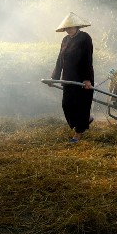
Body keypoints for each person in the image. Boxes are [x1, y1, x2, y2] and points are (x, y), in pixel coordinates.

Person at [51, 12, 95, 143]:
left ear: (77, 27)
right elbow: (60, 59)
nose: (68, 30)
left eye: (71, 27)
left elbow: (88, 58)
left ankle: (78, 134)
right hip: (68, 77)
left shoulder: (85, 38)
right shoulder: (65, 40)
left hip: (82, 77)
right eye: (67, 28)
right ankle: (84, 121)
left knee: (81, 106)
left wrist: (87, 79)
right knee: (67, 105)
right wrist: (55, 77)